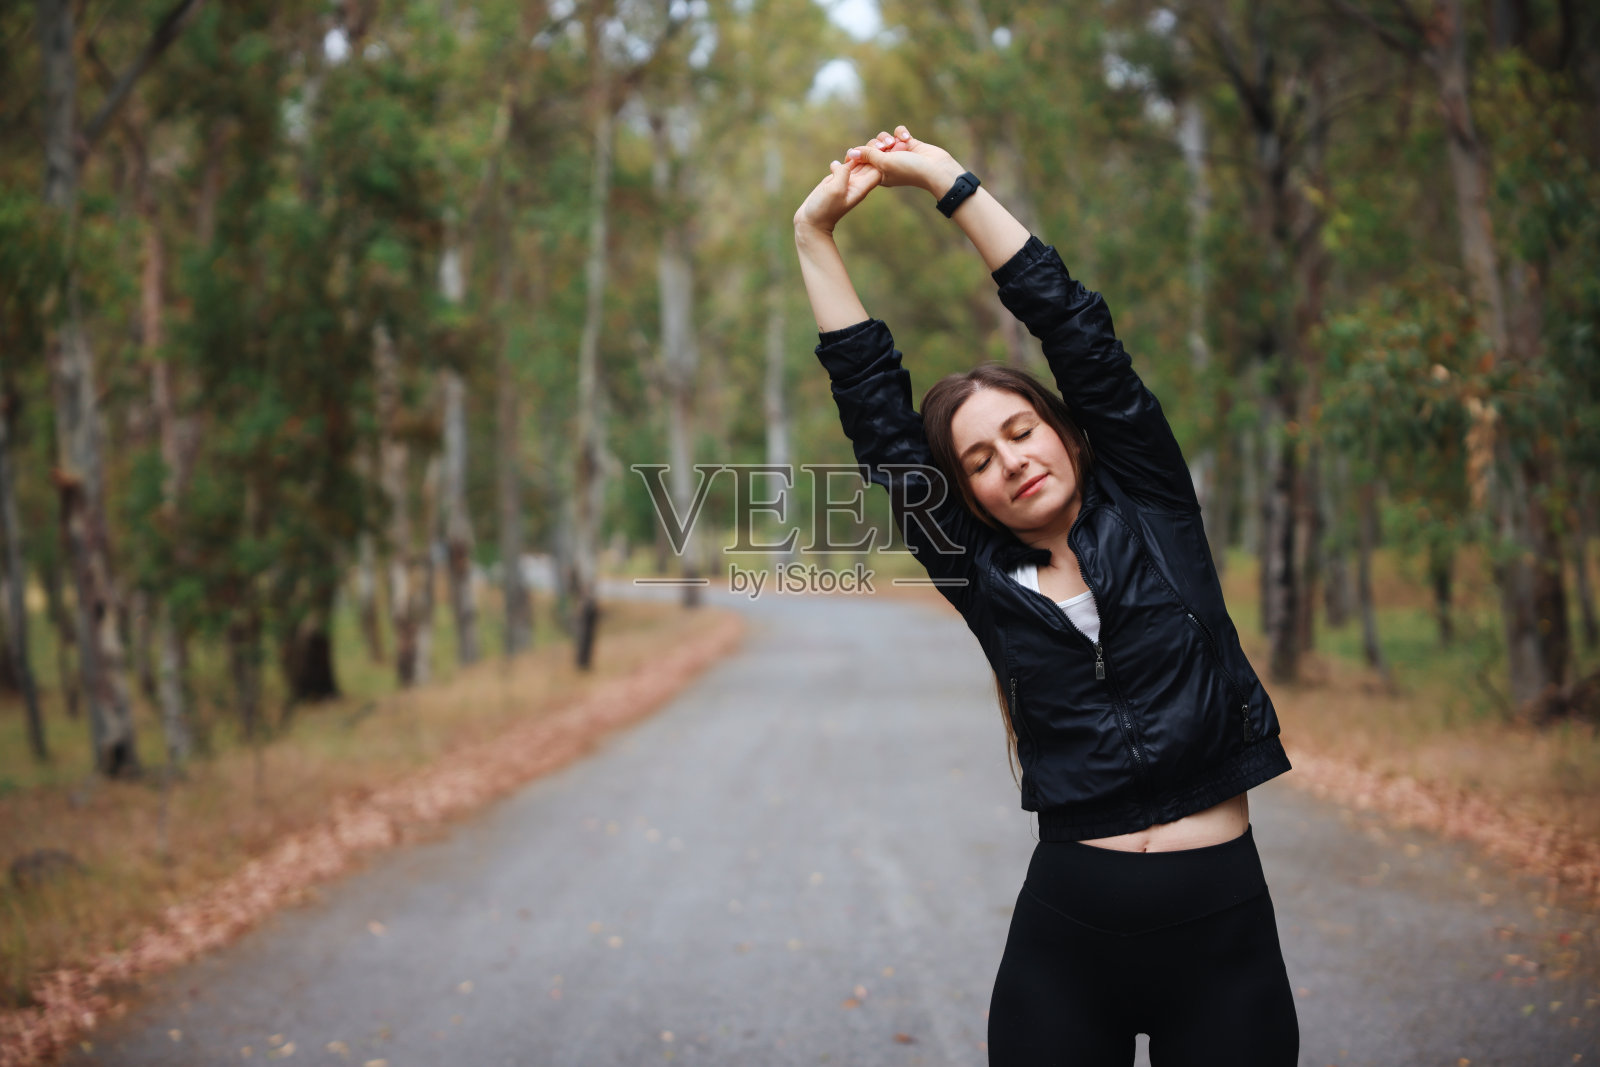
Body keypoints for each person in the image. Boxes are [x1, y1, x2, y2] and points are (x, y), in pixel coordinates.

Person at [794, 126, 1301, 1067]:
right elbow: (879, 419)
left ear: (1064, 432)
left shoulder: (1151, 497)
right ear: (968, 495)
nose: (1011, 461)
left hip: (1223, 936)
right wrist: (815, 238)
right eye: (979, 460)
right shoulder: (981, 576)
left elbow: (1072, 325)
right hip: (1069, 943)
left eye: (1021, 431)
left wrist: (949, 182)